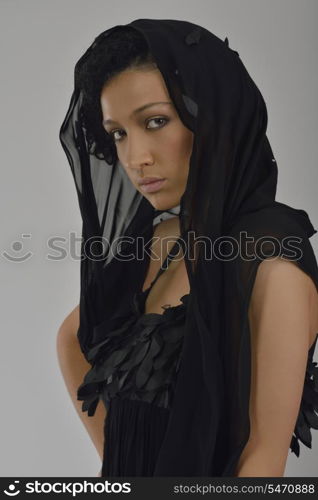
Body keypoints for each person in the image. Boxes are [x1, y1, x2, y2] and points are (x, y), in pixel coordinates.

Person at [57, 19, 318, 477]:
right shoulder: (156, 242)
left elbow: (261, 461)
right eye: (118, 133)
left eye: (156, 121)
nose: (136, 157)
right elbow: (75, 336)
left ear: (215, 119)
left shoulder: (271, 267)